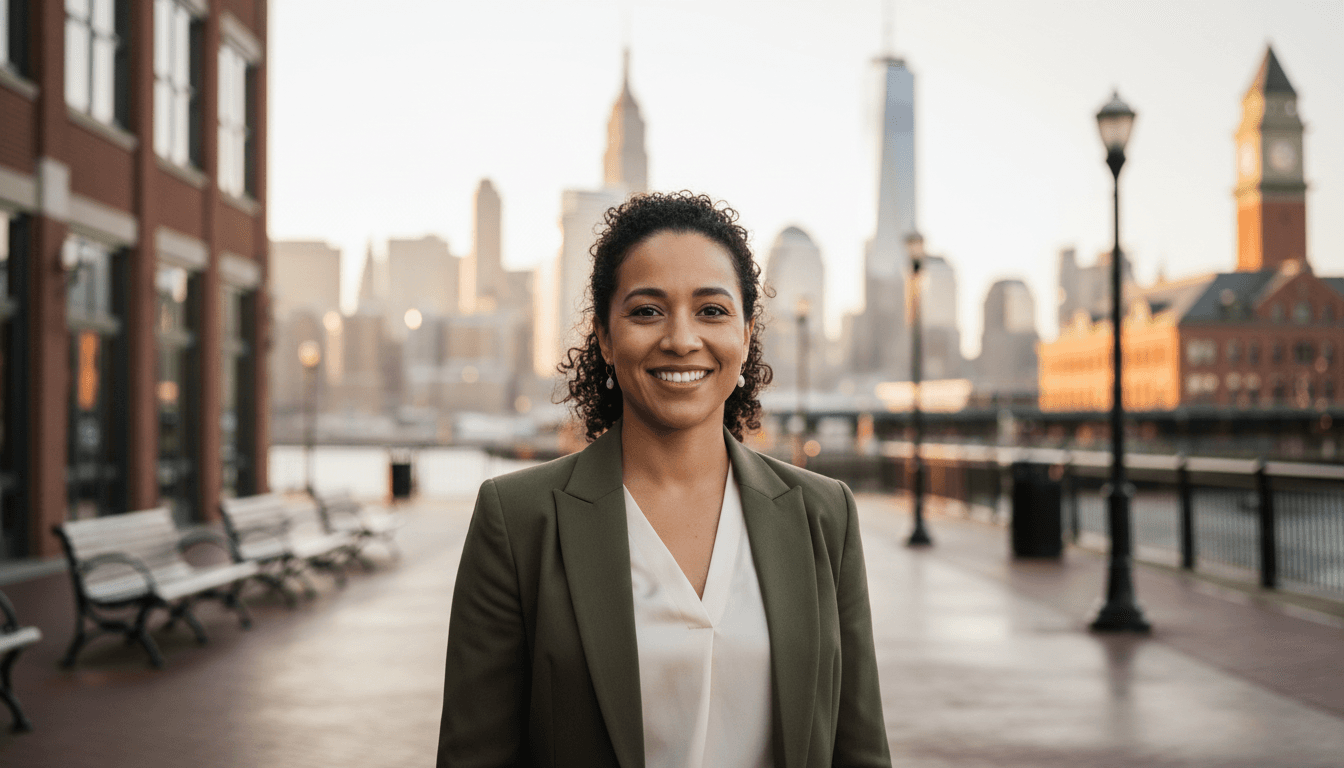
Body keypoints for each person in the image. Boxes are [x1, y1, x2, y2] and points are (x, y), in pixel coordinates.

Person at [437, 192, 891, 768]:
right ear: (604, 337)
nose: (681, 339)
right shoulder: (518, 521)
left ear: (746, 334)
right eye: (647, 311)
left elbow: (859, 749)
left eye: (712, 311)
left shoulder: (823, 515)